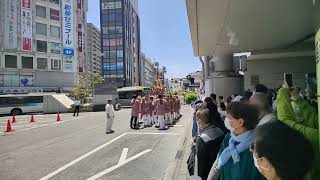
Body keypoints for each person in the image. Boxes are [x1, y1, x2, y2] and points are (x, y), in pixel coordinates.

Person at [207, 102, 264, 180]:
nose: (226, 120)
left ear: (240, 122)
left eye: (229, 118)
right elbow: (217, 162)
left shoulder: (257, 144)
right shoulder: (228, 138)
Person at [277, 84, 320, 180]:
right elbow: (312, 118)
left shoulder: (315, 137)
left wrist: (283, 93)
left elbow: (286, 125)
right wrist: (298, 99)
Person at [188, 107, 225, 180]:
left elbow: (199, 164)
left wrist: (193, 147)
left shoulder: (201, 139)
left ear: (199, 121)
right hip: (219, 170)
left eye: (196, 120)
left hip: (207, 174)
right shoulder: (220, 131)